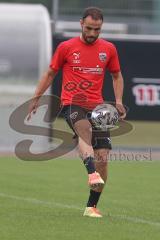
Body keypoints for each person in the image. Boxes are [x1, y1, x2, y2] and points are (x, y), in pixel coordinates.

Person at [27, 6, 126, 218]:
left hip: (97, 107)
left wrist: (118, 101)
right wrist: (36, 97)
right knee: (85, 131)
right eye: (89, 28)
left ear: (101, 27)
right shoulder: (66, 47)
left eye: (97, 30)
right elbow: (51, 73)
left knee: (103, 158)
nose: (92, 33)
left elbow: (117, 76)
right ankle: (91, 173)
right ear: (81, 24)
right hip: (71, 103)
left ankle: (91, 207)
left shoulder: (108, 49)